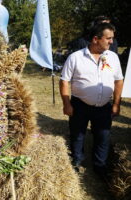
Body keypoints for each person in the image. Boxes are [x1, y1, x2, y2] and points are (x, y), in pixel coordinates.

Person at [59, 23, 124, 177]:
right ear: (96, 39)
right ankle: (77, 160)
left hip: (103, 106)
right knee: (78, 134)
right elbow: (64, 81)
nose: (111, 42)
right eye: (108, 38)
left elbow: (118, 81)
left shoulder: (113, 57)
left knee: (103, 136)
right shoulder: (75, 57)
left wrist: (116, 103)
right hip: (80, 105)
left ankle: (100, 165)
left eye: (112, 39)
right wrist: (67, 104)